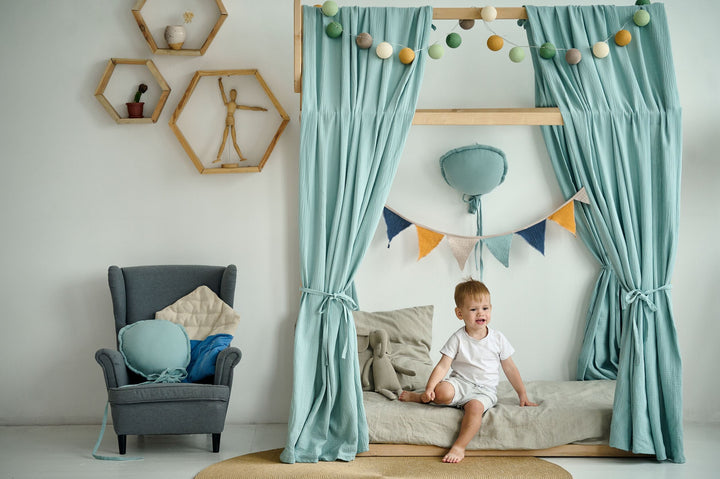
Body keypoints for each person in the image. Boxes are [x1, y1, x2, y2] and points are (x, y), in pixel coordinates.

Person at [399, 279, 537, 463]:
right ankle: (421, 397)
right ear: (459, 313)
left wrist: (523, 394)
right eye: (473, 309)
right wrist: (430, 387)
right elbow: (443, 365)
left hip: (484, 390)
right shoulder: (458, 338)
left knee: (475, 408)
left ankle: (459, 446)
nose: (481, 313)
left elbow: (510, 368)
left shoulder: (497, 339)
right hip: (460, 383)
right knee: (441, 391)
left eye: (485, 308)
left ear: (490, 309)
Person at [213, 77, 267, 163]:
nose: (233, 96)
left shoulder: (236, 105)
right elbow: (222, 92)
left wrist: (261, 109)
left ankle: (241, 157)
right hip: (228, 119)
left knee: (234, 141)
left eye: (234, 94)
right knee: (224, 140)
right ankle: (218, 157)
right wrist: (220, 82)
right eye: (231, 94)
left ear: (236, 96)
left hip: (232, 120)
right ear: (230, 95)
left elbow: (250, 108)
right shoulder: (228, 103)